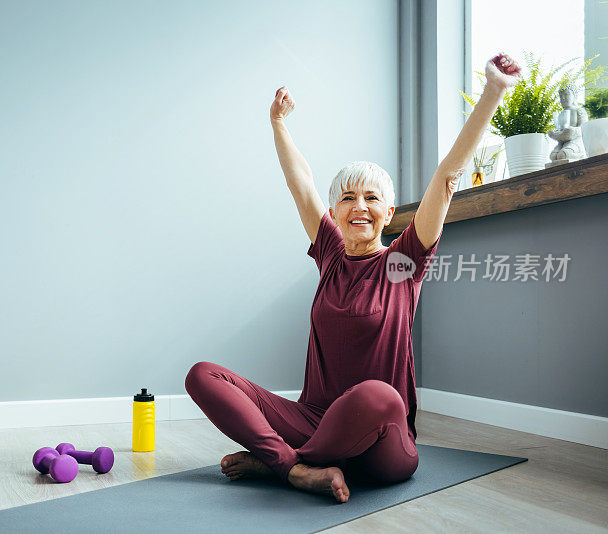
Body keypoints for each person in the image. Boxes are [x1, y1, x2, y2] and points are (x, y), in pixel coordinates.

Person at [185, 53, 522, 503]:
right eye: (347, 197)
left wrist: (494, 92)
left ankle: (282, 461)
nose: (358, 205)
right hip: (314, 419)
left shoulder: (404, 262)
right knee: (203, 375)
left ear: (388, 211)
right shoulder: (330, 253)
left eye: (371, 197)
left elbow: (446, 177)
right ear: (336, 212)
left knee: (379, 396)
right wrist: (278, 124)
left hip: (384, 445)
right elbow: (300, 184)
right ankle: (293, 468)